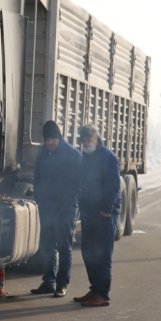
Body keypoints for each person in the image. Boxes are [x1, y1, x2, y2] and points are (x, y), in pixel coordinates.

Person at [30, 120, 81, 298]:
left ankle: (62, 284)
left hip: (65, 209)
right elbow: (37, 176)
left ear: (59, 138)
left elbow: (78, 184)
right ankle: (49, 282)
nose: (49, 143)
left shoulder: (73, 155)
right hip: (47, 207)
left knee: (64, 246)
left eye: (52, 139)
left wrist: (66, 202)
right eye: (46, 140)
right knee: (47, 245)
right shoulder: (44, 154)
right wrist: (39, 196)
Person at [72, 124, 121, 307]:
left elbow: (114, 186)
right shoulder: (85, 158)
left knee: (102, 255)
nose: (86, 143)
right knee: (89, 253)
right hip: (89, 214)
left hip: (104, 215)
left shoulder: (108, 158)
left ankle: (102, 294)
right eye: (83, 140)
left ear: (97, 139)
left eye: (89, 139)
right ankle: (94, 289)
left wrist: (106, 209)